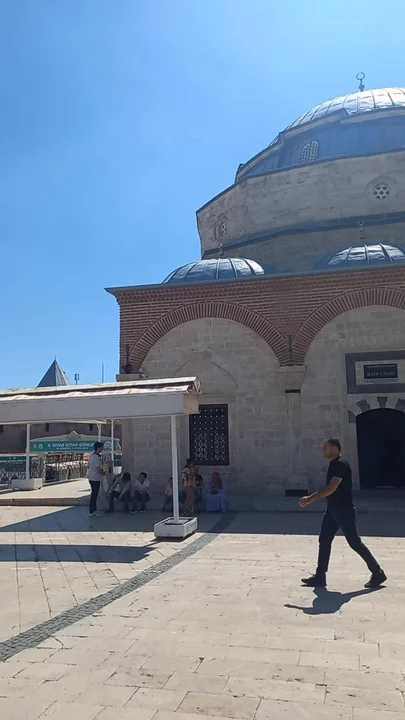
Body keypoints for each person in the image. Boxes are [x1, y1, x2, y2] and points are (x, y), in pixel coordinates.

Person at [299, 438, 387, 589]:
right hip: (332, 510)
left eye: (326, 448)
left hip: (343, 510)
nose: (323, 450)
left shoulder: (340, 464)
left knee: (354, 542)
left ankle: (377, 572)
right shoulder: (334, 464)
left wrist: (310, 499)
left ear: (335, 449)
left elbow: (331, 488)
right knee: (324, 540)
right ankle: (320, 577)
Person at [87, 441, 105, 517]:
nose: (102, 449)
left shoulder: (92, 456)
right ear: (98, 448)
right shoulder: (96, 457)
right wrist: (103, 473)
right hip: (95, 478)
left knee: (94, 494)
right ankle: (92, 511)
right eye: (101, 447)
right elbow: (98, 469)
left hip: (91, 477)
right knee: (94, 495)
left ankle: (94, 509)